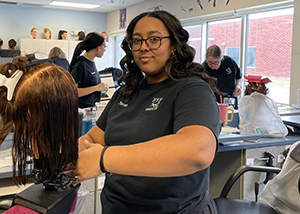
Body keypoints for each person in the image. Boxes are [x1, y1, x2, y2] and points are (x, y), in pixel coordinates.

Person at [71, 10, 221, 214]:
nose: (143, 47)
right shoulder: (127, 92)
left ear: (174, 45)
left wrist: (104, 159)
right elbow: (93, 139)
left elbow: (198, 151)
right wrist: (68, 153)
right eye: (137, 41)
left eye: (154, 39)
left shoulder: (191, 89)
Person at [69, 32, 109, 108]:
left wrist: (102, 90)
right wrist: (96, 88)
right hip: (82, 110)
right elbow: (73, 92)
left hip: (93, 108)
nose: (104, 49)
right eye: (103, 45)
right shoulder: (80, 65)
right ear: (97, 47)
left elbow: (92, 87)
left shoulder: (92, 63)